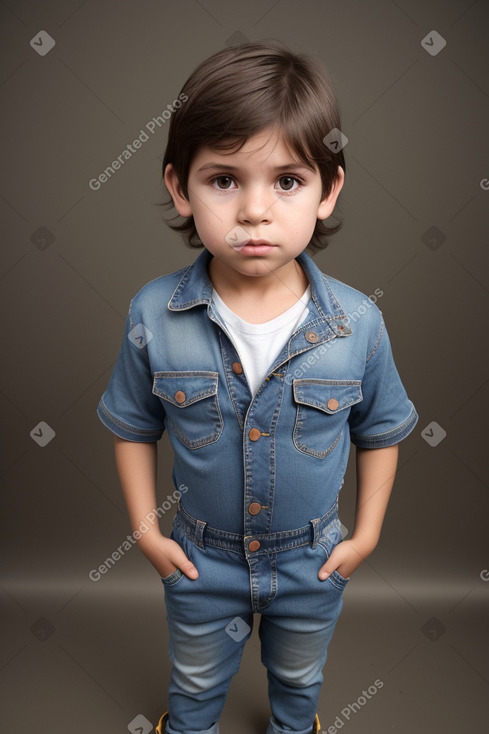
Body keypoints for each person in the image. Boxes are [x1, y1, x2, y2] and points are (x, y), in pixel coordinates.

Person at [97, 42, 418, 734]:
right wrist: (146, 533)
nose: (253, 211)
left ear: (328, 190)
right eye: (223, 180)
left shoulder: (356, 322)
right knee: (194, 678)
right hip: (199, 556)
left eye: (286, 181)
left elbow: (382, 431)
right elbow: (131, 425)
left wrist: (363, 538)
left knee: (299, 678)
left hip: (311, 558)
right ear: (180, 187)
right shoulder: (154, 313)